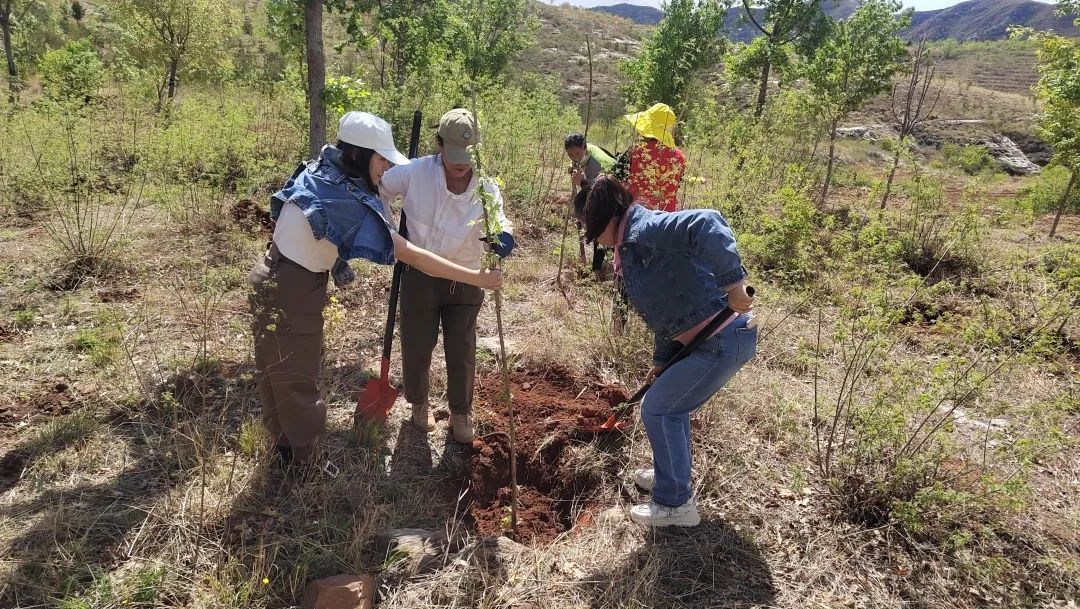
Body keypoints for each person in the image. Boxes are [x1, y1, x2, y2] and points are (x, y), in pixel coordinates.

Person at [248, 111, 502, 467]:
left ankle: (284, 452)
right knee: (296, 381)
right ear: (359, 155)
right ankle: (304, 465)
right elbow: (410, 254)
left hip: (272, 274)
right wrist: (478, 279)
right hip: (292, 286)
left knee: (276, 374)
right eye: (382, 160)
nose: (386, 170)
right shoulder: (350, 200)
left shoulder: (324, 169)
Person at [575, 175, 756, 527]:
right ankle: (670, 477)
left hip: (722, 338)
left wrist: (733, 283)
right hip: (703, 339)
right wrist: (661, 362)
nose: (592, 237)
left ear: (606, 218)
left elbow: (707, 222)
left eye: (589, 226)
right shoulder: (628, 246)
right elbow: (666, 311)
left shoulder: (647, 229)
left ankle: (675, 505)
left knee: (659, 410)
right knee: (671, 404)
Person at [379, 108, 515, 443]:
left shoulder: (486, 189)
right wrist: (387, 229)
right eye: (453, 154)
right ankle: (419, 404)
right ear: (439, 144)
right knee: (417, 342)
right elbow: (378, 190)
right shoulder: (414, 173)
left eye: (468, 156)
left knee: (462, 347)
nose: (460, 163)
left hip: (468, 279)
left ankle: (460, 411)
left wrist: (501, 239)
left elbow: (499, 223)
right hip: (420, 275)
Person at [613, 103, 687, 213]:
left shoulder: (635, 152)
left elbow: (614, 181)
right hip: (668, 219)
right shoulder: (680, 157)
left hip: (637, 217)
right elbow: (675, 187)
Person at [565, 133, 617, 275]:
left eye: (577, 153)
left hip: (612, 196)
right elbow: (576, 161)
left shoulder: (596, 164)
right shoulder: (586, 151)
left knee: (602, 228)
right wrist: (574, 166)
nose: (574, 157)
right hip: (606, 193)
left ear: (584, 147)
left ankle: (598, 270)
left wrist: (581, 182)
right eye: (570, 155)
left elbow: (597, 193)